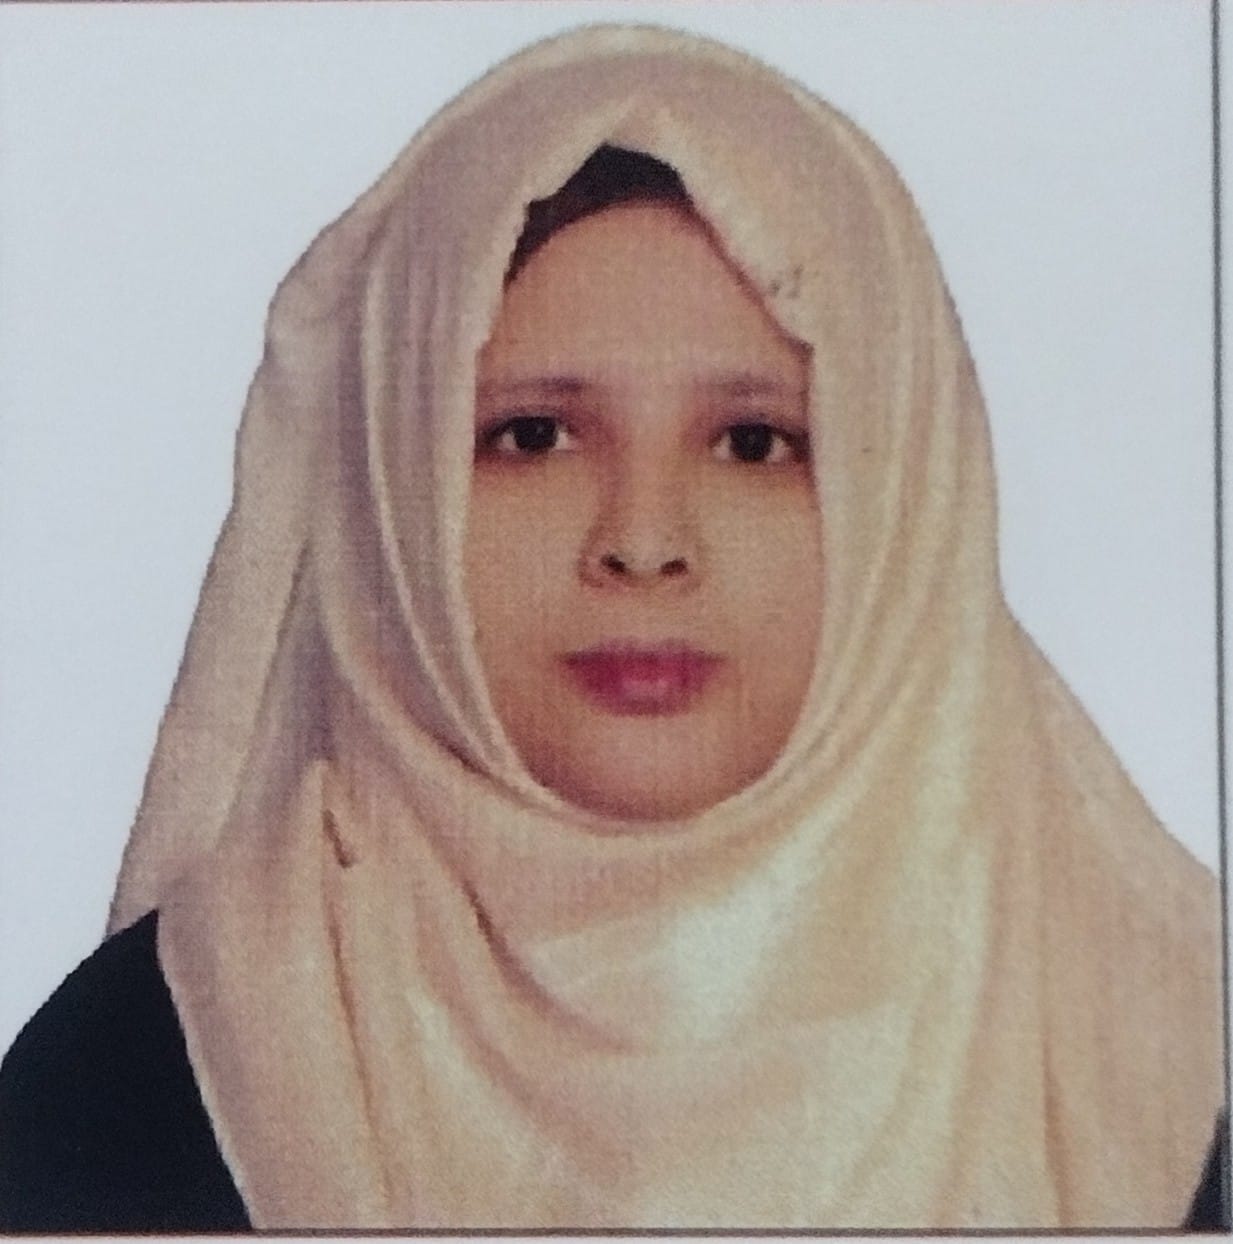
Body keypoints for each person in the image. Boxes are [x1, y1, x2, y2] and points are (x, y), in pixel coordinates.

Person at [0, 25, 1224, 1231]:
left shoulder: (1164, 1070)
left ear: (907, 498)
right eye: (533, 435)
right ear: (393, 499)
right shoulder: (146, 1078)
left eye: (754, 442)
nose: (643, 540)